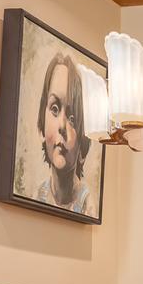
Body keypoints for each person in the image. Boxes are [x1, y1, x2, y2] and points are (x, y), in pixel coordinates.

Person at [33, 49, 93, 214]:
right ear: (41, 127)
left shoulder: (88, 205)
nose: (62, 125)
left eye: (72, 118)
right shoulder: (38, 194)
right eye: (54, 108)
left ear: (83, 143)